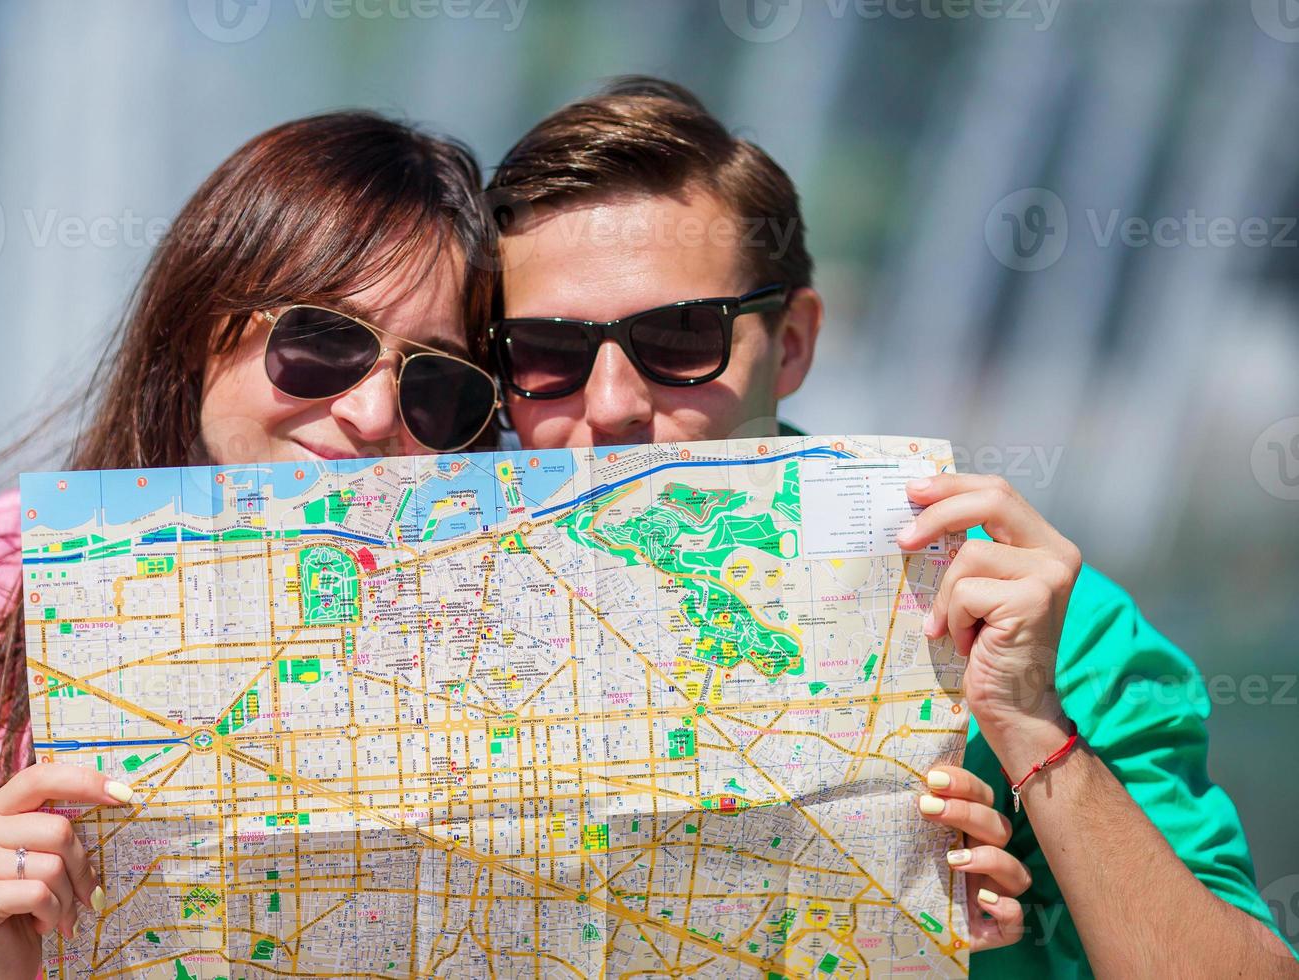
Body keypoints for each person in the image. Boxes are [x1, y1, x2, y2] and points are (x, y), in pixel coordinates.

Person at [483, 76, 1299, 976]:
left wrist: (1030, 725)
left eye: (680, 338)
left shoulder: (1045, 628)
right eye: (547, 352)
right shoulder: (416, 591)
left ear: (792, 343)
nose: (611, 404)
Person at [0, 111, 500, 979]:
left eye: (435, 382)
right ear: (200, 318)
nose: (371, 416)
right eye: (323, 339)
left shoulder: (494, 660)